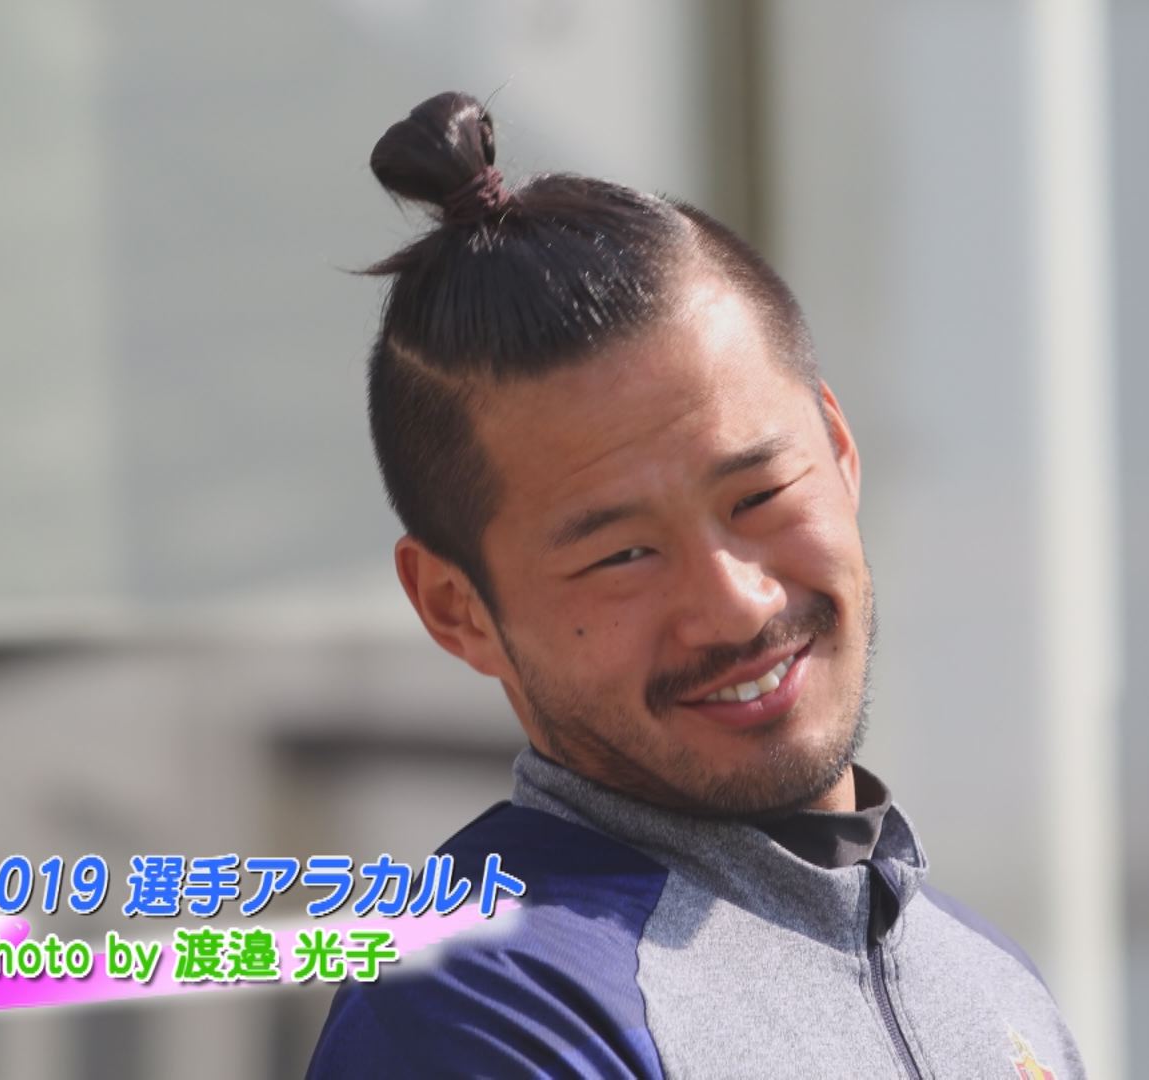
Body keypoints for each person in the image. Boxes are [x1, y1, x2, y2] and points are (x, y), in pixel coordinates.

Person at [305, 90, 1085, 1080]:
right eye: (622, 555)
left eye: (758, 496)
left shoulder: (988, 984)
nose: (737, 605)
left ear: (839, 449)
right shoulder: (481, 1002)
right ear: (456, 610)